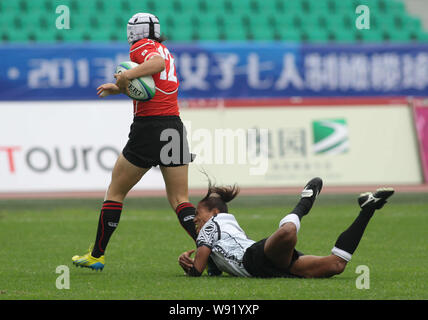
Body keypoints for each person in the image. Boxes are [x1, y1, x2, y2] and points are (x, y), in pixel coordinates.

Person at [72, 13, 199, 271]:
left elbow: (154, 66)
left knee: (116, 191)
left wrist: (126, 77)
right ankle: (212, 254)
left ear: (135, 32)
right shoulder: (165, 49)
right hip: (173, 126)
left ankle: (97, 255)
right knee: (180, 199)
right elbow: (152, 85)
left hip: (148, 128)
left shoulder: (142, 47)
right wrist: (119, 88)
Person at [178, 177, 395, 278]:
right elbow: (213, 270)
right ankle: (367, 209)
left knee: (288, 232)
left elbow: (198, 270)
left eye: (198, 214)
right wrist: (201, 266)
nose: (196, 219)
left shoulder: (210, 226)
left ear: (214, 213)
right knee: (335, 265)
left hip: (254, 258)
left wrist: (191, 267)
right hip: (268, 266)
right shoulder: (226, 227)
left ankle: (304, 202)